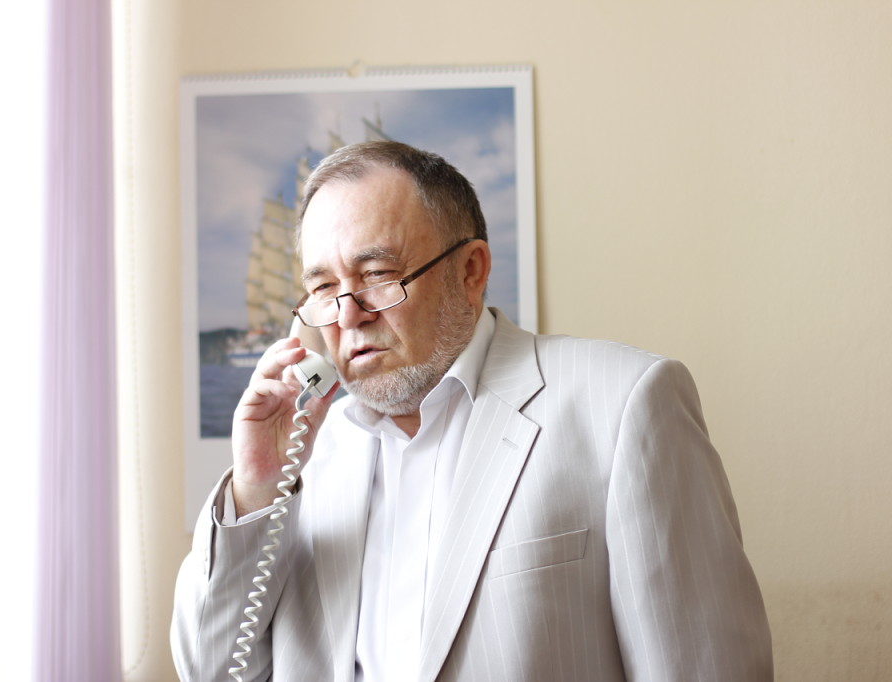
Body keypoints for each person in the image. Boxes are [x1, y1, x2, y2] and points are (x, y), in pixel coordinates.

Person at [171, 141, 773, 681]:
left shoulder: (625, 404)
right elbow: (210, 671)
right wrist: (256, 490)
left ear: (470, 271)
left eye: (376, 274)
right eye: (324, 288)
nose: (348, 315)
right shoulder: (298, 461)